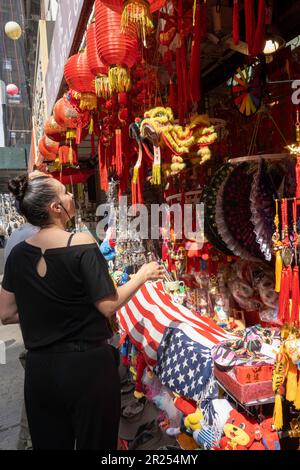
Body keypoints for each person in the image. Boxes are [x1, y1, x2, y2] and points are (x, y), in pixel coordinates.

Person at [0, 172, 164, 450]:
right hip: (87, 369)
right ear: (55, 208)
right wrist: (143, 275)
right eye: (65, 192)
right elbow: (108, 304)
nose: (70, 196)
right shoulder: (81, 244)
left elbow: (5, 313)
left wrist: (48, 312)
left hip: (41, 370)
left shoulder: (18, 254)